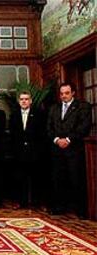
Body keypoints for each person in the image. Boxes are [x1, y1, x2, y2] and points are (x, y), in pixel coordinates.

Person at [47, 82, 91, 217]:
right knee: (58, 180)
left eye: (66, 93)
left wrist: (68, 140)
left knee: (76, 180)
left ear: (73, 93)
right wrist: (56, 140)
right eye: (61, 94)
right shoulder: (54, 108)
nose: (63, 96)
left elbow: (84, 127)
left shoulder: (83, 107)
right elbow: (49, 128)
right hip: (57, 150)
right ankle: (59, 208)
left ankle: (80, 210)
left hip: (74, 150)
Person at [9, 91, 45, 209]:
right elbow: (12, 134)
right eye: (21, 99)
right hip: (18, 152)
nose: (24, 101)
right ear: (19, 101)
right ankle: (21, 202)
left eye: (26, 99)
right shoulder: (14, 115)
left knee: (36, 177)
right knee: (19, 178)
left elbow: (42, 134)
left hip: (34, 151)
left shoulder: (39, 114)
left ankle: (35, 203)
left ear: (30, 101)